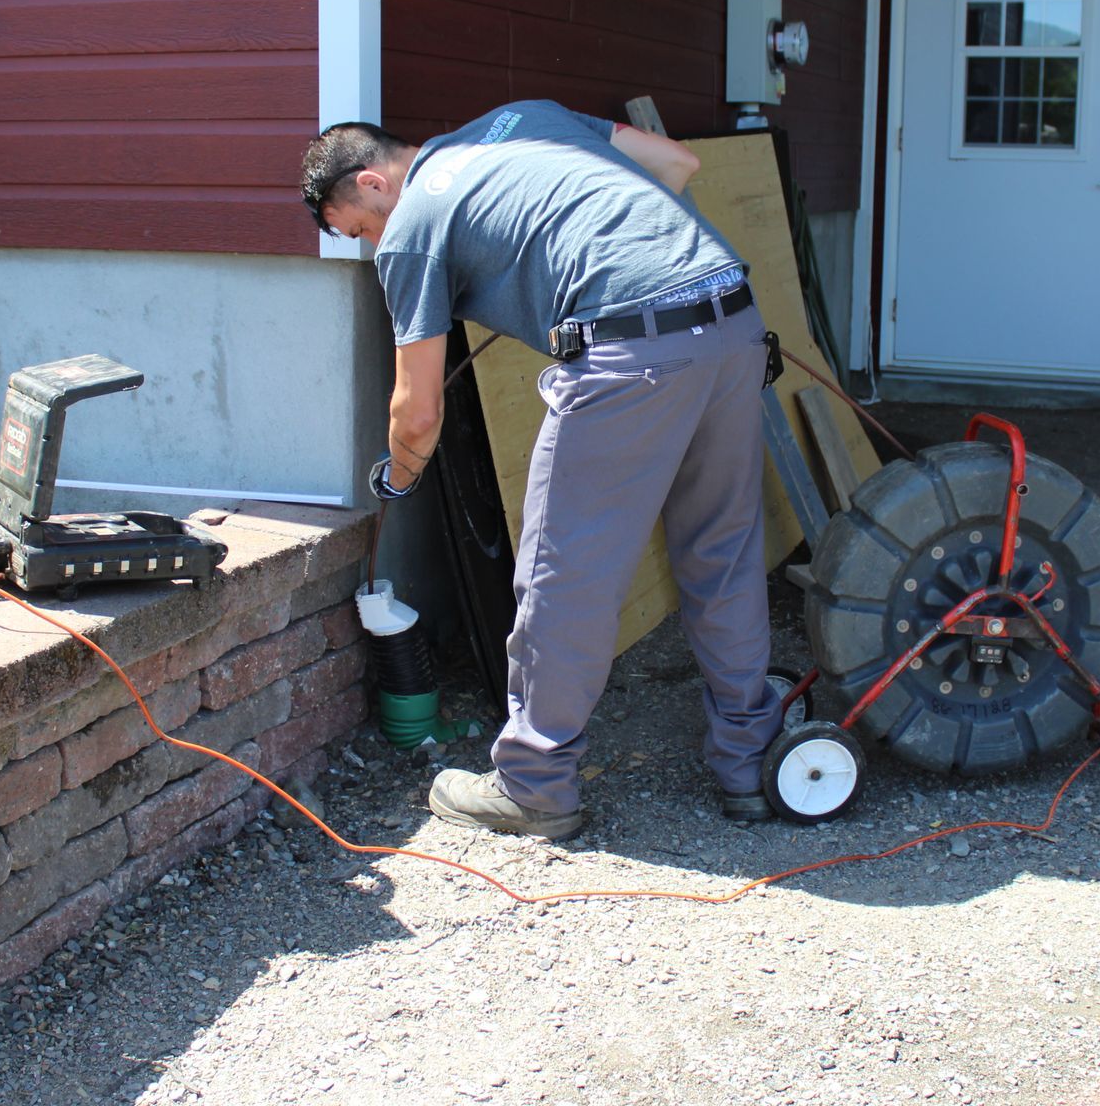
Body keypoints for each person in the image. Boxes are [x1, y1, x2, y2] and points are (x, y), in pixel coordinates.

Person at [299, 101, 783, 840]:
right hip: (732, 321)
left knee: (565, 571)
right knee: (723, 549)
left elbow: (418, 412)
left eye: (361, 230)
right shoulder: (521, 120)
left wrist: (396, 478)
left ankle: (536, 785)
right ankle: (751, 761)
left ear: (372, 182)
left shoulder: (413, 229)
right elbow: (676, 164)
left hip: (629, 355)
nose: (372, 245)